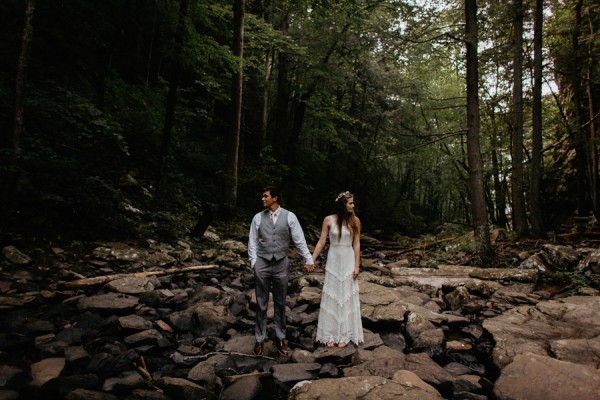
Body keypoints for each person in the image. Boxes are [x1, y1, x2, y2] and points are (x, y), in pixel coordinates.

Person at [247, 186, 314, 356]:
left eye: (265, 196)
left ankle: (280, 337)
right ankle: (260, 339)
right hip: (262, 262)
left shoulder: (290, 216)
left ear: (275, 198)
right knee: (261, 303)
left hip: (281, 263)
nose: (262, 199)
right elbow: (252, 241)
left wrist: (308, 258)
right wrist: (254, 261)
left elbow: (299, 239)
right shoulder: (257, 217)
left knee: (280, 302)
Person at [311, 191, 364, 348]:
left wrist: (356, 265)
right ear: (342, 204)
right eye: (350, 203)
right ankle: (330, 334)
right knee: (333, 295)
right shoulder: (328, 220)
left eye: (353, 203)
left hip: (348, 259)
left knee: (346, 296)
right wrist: (311, 259)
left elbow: (356, 244)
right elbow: (321, 241)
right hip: (333, 259)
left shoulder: (355, 221)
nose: (353, 206)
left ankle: (345, 334)